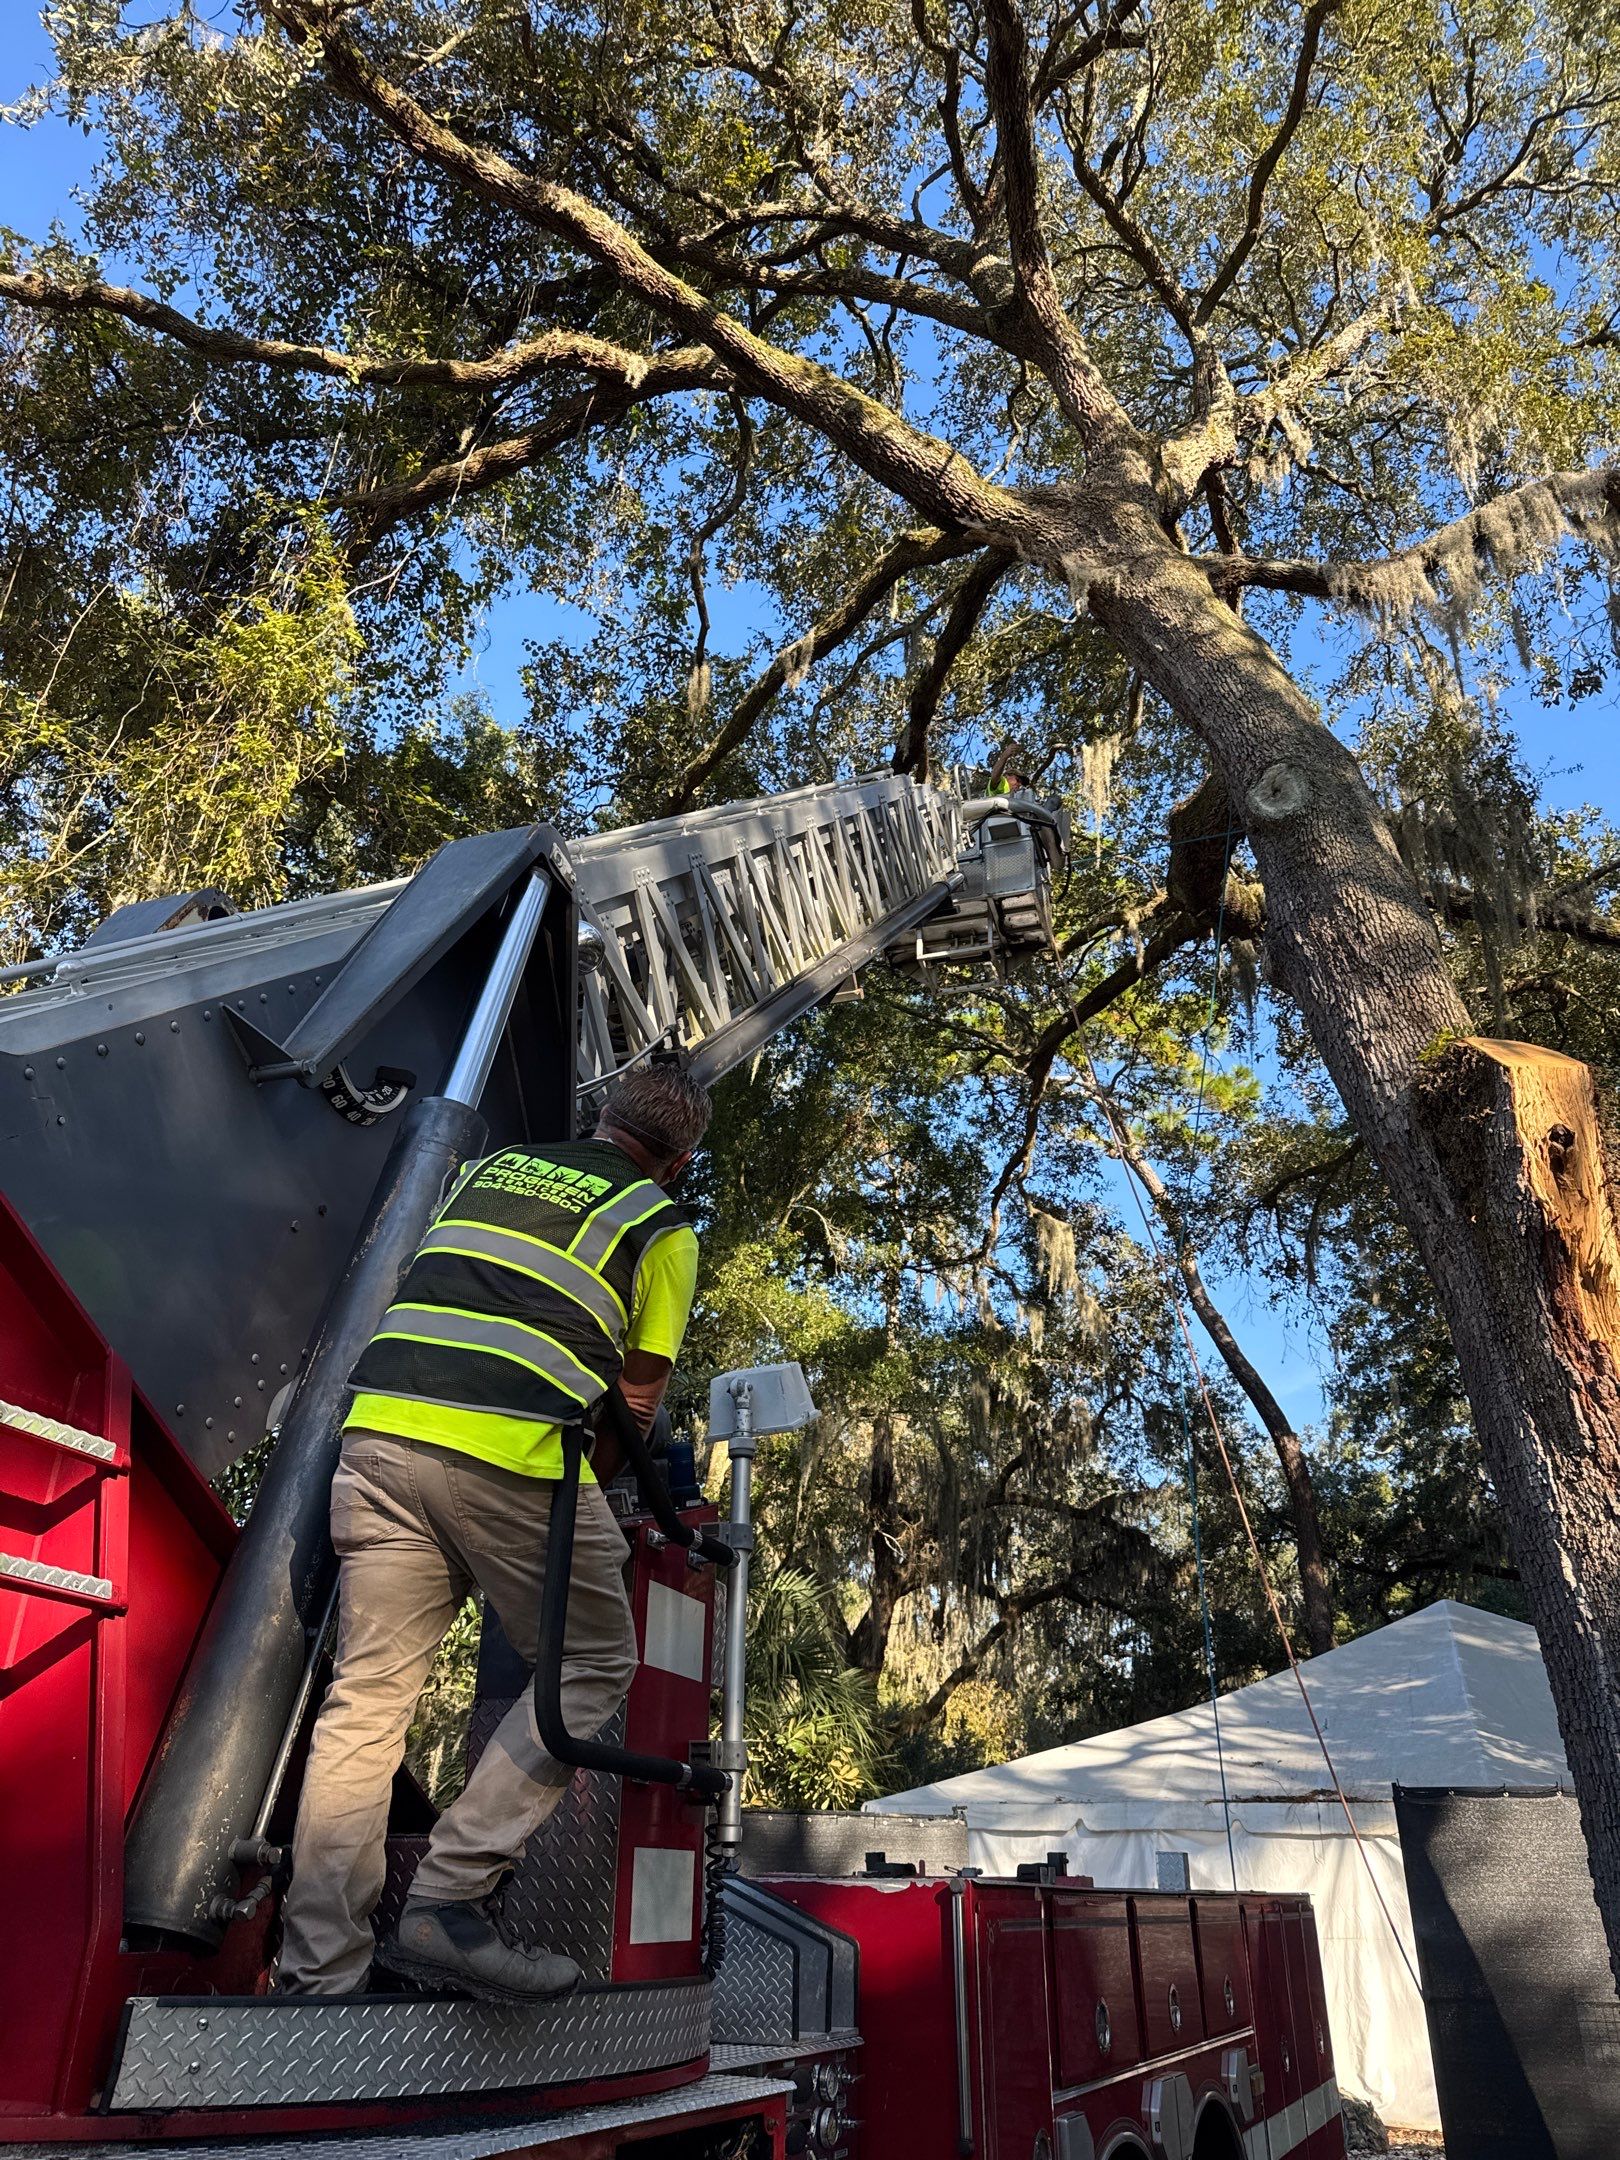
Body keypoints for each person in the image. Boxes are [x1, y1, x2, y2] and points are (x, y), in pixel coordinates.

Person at [277, 1062, 712, 2004]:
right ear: (680, 1162)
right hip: (510, 1455)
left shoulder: (495, 1170)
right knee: (594, 1661)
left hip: (377, 1439)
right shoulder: (662, 1227)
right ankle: (447, 1904)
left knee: (366, 1708)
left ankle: (319, 1974)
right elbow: (636, 1395)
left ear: (601, 1117)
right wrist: (589, 1492)